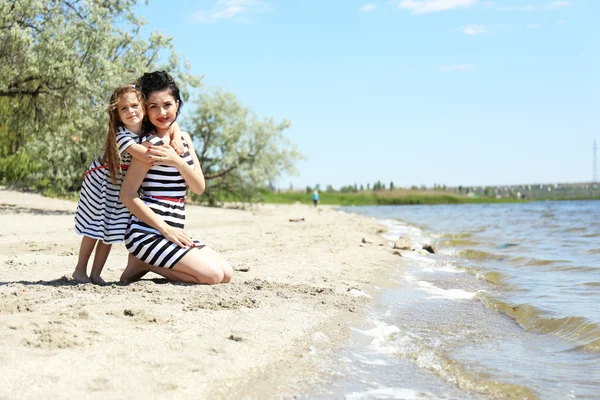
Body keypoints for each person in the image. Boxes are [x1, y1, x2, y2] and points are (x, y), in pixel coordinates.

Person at [119, 71, 233, 285]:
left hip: (174, 232)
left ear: (178, 105)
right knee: (213, 276)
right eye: (153, 106)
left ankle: (148, 262)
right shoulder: (147, 147)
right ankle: (145, 263)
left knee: (226, 273)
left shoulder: (184, 139)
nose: (162, 112)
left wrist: (177, 161)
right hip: (147, 233)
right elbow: (127, 195)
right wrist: (165, 229)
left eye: (167, 105)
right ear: (145, 109)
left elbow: (198, 187)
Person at [72, 84, 184, 284]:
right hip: (101, 182)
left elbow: (173, 124)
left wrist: (174, 137)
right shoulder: (121, 135)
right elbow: (146, 155)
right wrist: (169, 151)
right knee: (95, 226)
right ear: (117, 114)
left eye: (134, 106)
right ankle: (80, 269)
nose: (130, 111)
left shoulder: (148, 130)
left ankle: (96, 273)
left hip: (120, 184)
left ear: (143, 107)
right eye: (124, 108)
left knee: (111, 229)